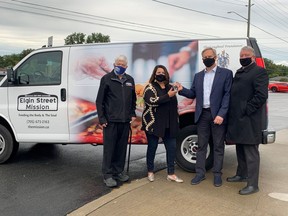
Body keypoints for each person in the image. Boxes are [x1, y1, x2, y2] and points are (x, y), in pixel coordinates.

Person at [176, 47, 233, 187]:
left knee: (218, 146)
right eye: (204, 57)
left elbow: (227, 95)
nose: (207, 58)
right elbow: (193, 94)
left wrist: (221, 114)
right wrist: (181, 90)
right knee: (201, 145)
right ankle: (200, 174)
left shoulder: (226, 74)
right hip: (202, 115)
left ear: (215, 57)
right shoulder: (198, 76)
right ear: (202, 59)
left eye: (209, 56)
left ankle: (217, 175)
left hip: (217, 115)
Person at [226, 46, 268, 195]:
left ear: (252, 57)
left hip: (250, 120)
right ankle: (241, 174)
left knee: (251, 152)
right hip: (238, 119)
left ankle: (252, 184)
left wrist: (246, 109)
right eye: (241, 55)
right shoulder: (240, 71)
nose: (243, 57)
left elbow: (261, 96)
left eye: (246, 55)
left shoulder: (259, 72)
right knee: (240, 149)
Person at [96, 55, 136, 188]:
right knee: (109, 149)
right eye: (118, 63)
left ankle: (118, 171)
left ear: (126, 67)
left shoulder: (130, 80)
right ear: (114, 64)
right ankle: (107, 174)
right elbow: (99, 101)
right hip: (110, 121)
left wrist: (132, 114)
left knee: (121, 148)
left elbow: (133, 100)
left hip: (125, 121)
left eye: (123, 64)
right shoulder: (107, 79)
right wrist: (102, 118)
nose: (120, 66)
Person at [142, 65, 183, 183]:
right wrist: (168, 96)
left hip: (169, 124)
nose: (161, 74)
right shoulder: (150, 87)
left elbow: (173, 105)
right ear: (154, 74)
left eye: (163, 72)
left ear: (166, 74)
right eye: (158, 72)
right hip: (154, 123)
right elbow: (151, 101)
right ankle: (150, 171)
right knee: (152, 148)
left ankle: (171, 173)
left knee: (171, 148)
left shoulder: (170, 87)